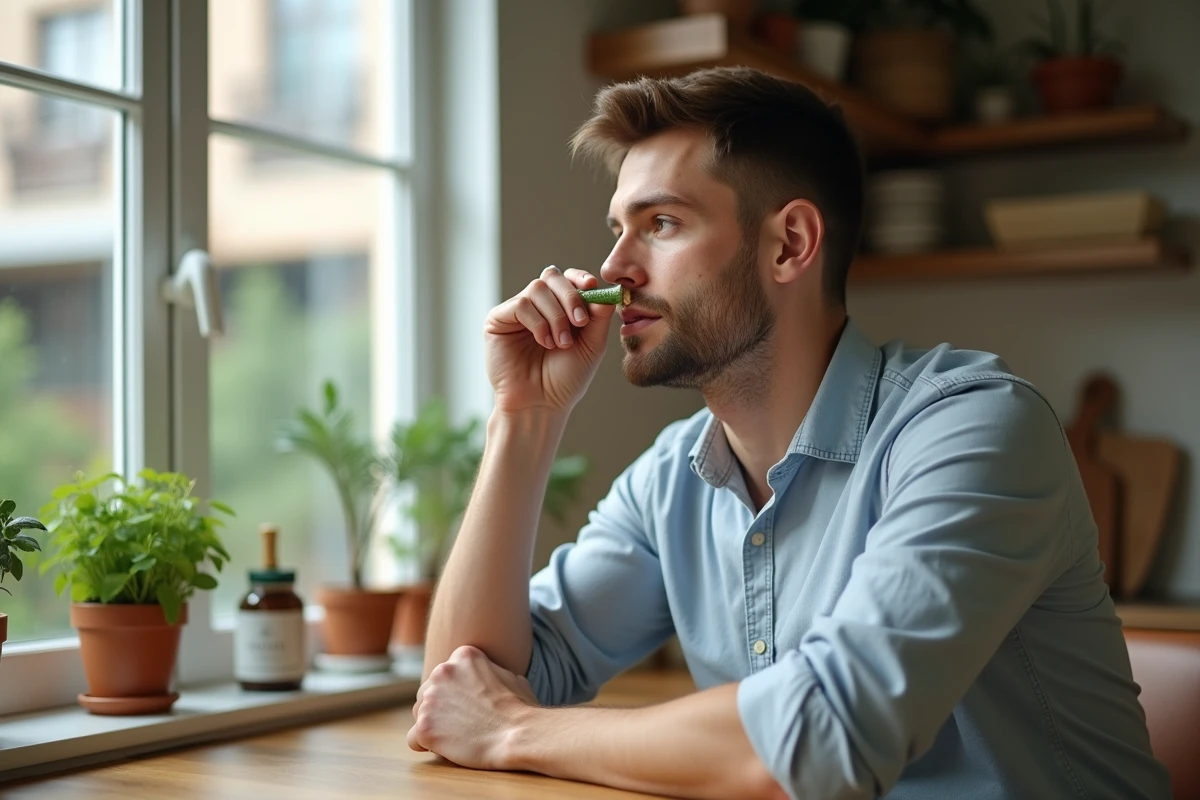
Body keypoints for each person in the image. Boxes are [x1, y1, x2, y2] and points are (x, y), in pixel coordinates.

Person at [405, 66, 1168, 800]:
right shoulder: (672, 480)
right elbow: (459, 689)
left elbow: (821, 737)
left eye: (660, 223)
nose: (613, 269)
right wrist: (524, 415)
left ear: (790, 244)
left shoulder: (976, 428)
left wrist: (514, 732)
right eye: (616, 230)